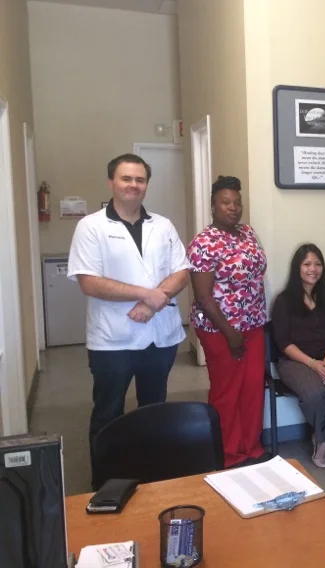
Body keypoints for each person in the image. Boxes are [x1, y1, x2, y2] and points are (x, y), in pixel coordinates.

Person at [68, 153, 190, 488]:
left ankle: (150, 478)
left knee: (154, 410)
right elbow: (89, 282)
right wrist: (145, 294)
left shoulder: (162, 225)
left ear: (146, 184)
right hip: (113, 341)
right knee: (108, 414)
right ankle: (105, 485)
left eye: (140, 179)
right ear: (112, 182)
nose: (133, 185)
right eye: (126, 178)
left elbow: (182, 271)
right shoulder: (91, 226)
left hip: (159, 338)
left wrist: (153, 303)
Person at [187, 176, 267, 468]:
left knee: (253, 385)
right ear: (213, 206)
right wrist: (230, 333)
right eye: (226, 202)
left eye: (237, 202)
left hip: (254, 324)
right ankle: (229, 453)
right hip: (219, 328)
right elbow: (203, 297)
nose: (233, 207)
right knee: (227, 390)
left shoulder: (248, 232)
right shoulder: (204, 243)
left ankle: (252, 447)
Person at [272, 244, 325, 468]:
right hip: (295, 361)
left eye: (318, 264)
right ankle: (324, 440)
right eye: (307, 264)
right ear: (297, 268)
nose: (313, 269)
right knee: (314, 393)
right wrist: (312, 364)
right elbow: (283, 342)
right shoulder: (284, 300)